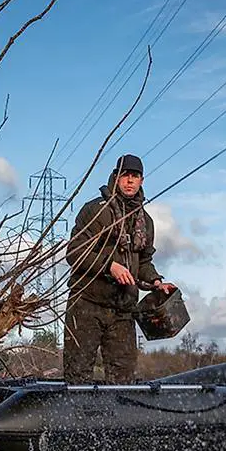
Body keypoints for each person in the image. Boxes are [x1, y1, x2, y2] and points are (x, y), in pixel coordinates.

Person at [63, 154, 175, 384]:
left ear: (142, 181)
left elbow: (143, 262)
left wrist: (156, 282)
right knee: (78, 376)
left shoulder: (146, 221)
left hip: (123, 309)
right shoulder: (94, 210)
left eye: (135, 176)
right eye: (125, 175)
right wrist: (109, 266)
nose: (130, 181)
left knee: (123, 380)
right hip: (87, 304)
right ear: (116, 177)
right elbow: (74, 252)